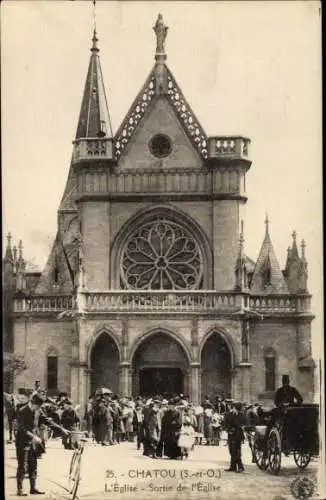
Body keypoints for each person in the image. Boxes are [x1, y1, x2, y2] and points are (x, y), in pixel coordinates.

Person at [15, 392, 70, 496]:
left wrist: (62, 429)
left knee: (33, 465)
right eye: (38, 406)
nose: (39, 408)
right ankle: (20, 489)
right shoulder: (22, 411)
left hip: (34, 443)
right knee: (22, 466)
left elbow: (47, 421)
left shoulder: (38, 410)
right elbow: (21, 428)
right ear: (33, 403)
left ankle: (33, 488)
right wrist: (33, 436)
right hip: (23, 442)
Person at [224, 402, 245, 473]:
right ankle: (233, 467)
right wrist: (228, 430)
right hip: (230, 435)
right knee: (231, 451)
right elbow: (225, 424)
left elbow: (242, 424)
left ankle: (240, 467)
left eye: (234, 408)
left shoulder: (241, 415)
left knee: (237, 451)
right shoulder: (228, 414)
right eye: (233, 408)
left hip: (238, 435)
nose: (233, 409)